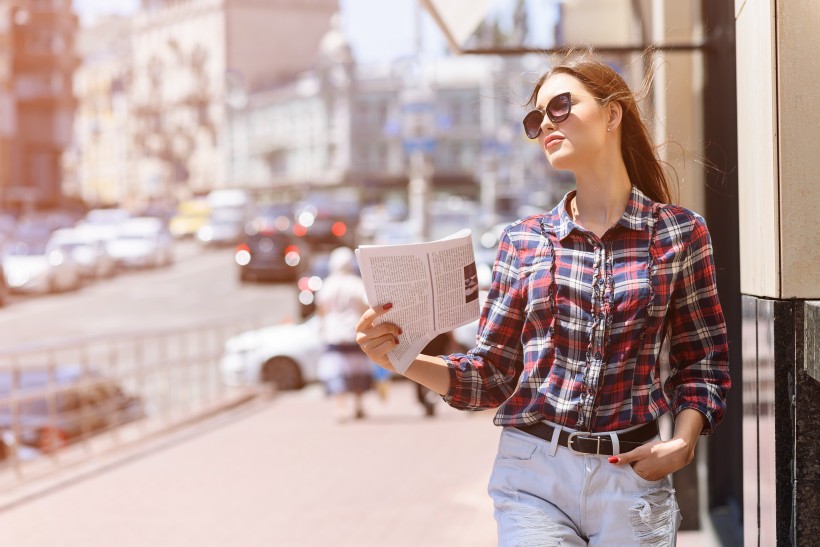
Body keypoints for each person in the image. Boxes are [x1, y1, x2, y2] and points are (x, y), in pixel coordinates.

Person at [355, 50, 731, 545]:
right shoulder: (524, 240)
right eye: (536, 119)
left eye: (561, 107)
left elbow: (703, 363)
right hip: (533, 476)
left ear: (612, 113)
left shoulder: (679, 233)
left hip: (634, 477)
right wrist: (399, 358)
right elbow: (491, 375)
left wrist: (683, 442)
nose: (545, 125)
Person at [316, 246, 373, 421]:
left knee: (336, 373)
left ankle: (340, 408)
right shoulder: (357, 284)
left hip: (333, 335)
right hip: (355, 334)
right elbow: (365, 308)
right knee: (358, 372)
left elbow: (321, 310)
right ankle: (359, 406)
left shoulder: (326, 285)